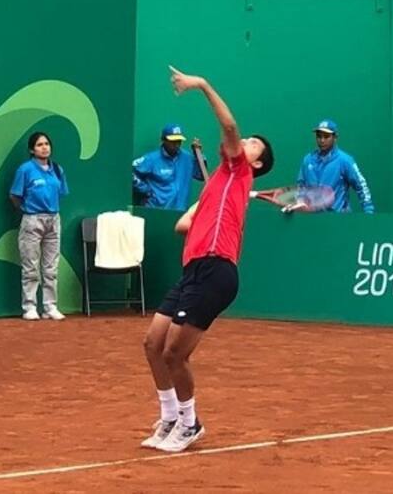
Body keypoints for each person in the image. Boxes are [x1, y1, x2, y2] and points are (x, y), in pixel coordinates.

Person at [140, 66, 274, 453]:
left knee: (174, 353)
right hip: (194, 269)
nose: (243, 141)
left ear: (257, 164)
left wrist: (201, 85)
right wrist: (209, 206)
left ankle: (190, 422)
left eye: (252, 144)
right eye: (246, 141)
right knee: (152, 344)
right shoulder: (221, 181)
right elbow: (182, 225)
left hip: (217, 271)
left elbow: (229, 126)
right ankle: (169, 418)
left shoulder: (237, 169)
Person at [9, 131, 70, 321]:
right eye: (39, 145)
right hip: (32, 220)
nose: (44, 148)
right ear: (31, 149)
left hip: (53, 219)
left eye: (46, 144)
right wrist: (28, 211)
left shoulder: (58, 170)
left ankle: (50, 306)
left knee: (51, 267)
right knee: (30, 266)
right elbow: (14, 195)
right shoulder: (25, 170)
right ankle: (29, 307)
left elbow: (61, 192)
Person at [291, 119, 374, 214]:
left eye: (326, 137)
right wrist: (297, 205)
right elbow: (300, 189)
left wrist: (369, 211)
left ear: (335, 137)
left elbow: (361, 187)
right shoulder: (308, 160)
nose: (322, 140)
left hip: (338, 221)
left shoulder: (345, 160)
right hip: (312, 221)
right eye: (319, 136)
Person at [131, 123, 208, 210]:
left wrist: (199, 155)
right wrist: (145, 189)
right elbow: (130, 171)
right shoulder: (152, 159)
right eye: (173, 141)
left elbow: (202, 175)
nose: (176, 144)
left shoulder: (187, 158)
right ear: (163, 140)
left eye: (179, 141)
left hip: (179, 213)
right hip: (155, 211)